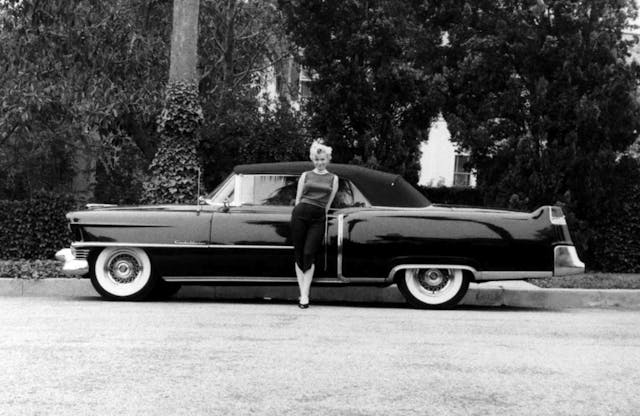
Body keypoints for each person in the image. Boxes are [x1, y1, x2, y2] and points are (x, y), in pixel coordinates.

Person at [291, 141, 339, 309]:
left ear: (328, 159)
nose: (320, 162)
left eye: (323, 159)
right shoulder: (305, 175)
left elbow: (328, 202)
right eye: (317, 159)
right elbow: (298, 198)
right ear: (313, 159)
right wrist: (297, 211)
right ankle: (304, 295)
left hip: (318, 217)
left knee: (309, 253)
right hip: (300, 214)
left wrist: (321, 215)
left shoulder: (333, 178)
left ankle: (305, 293)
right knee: (298, 253)